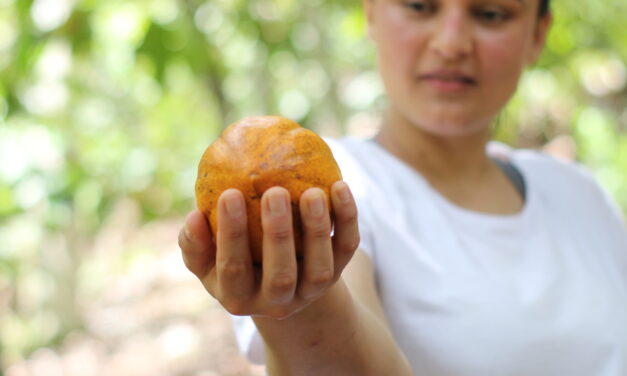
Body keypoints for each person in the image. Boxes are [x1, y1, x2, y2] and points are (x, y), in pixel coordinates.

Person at [178, 0, 627, 374]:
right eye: (419, 5)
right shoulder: (346, 186)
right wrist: (302, 309)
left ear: (537, 35)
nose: (451, 43)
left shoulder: (578, 193)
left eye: (490, 13)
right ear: (371, 11)